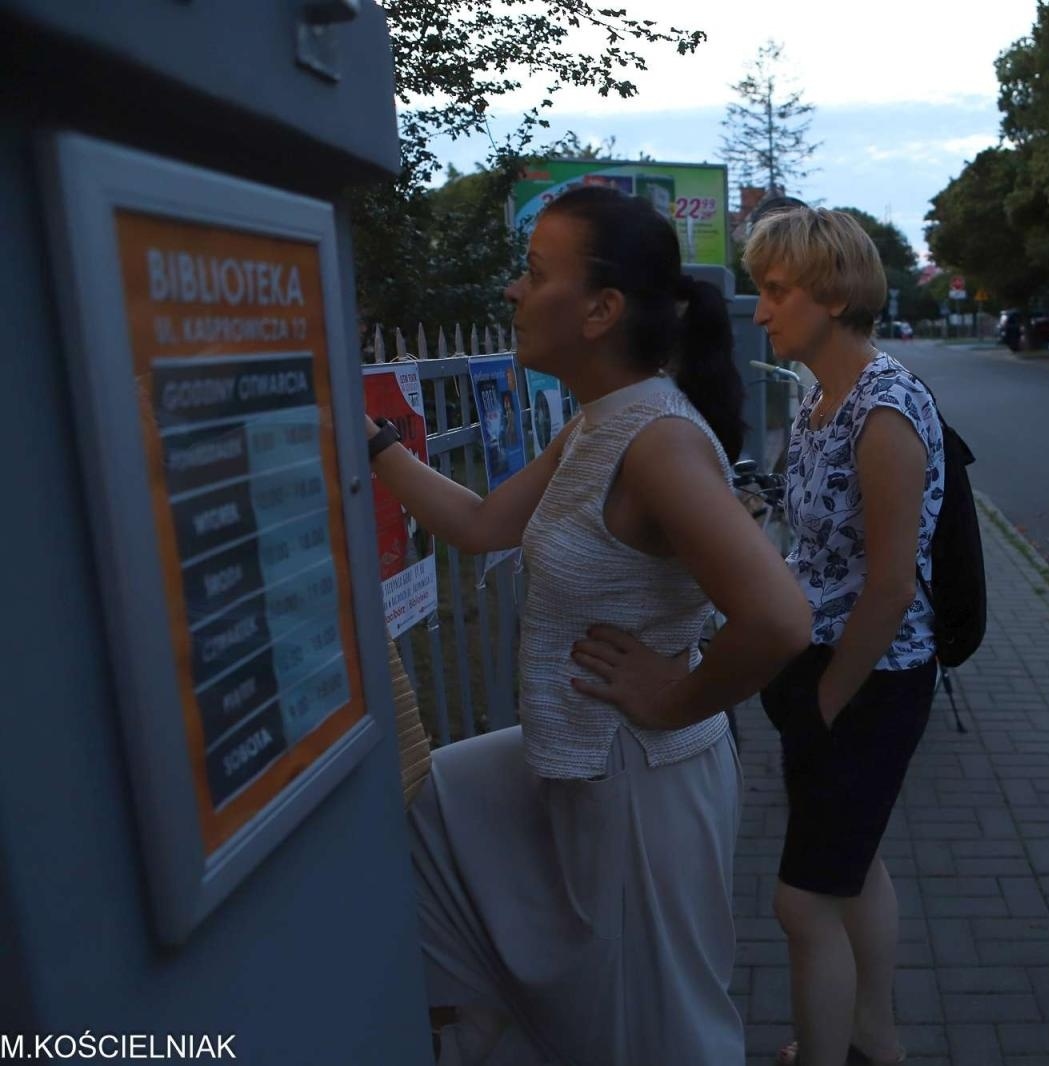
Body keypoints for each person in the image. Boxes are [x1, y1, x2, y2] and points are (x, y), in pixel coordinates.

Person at [367, 184, 812, 1064]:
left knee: (664, 1037)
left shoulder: (657, 440)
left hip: (643, 791)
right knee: (426, 810)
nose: (512, 293)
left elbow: (780, 618)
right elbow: (482, 525)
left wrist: (680, 696)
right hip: (578, 768)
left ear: (602, 309)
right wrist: (376, 445)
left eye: (533, 274)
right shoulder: (600, 424)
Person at [744, 205, 945, 1066]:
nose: (761, 311)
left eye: (776, 290)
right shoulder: (824, 398)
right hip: (820, 669)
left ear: (830, 293)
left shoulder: (884, 409)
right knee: (852, 866)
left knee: (802, 903)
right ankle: (876, 1040)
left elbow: (893, 586)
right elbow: (821, 551)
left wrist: (826, 701)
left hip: (869, 682)